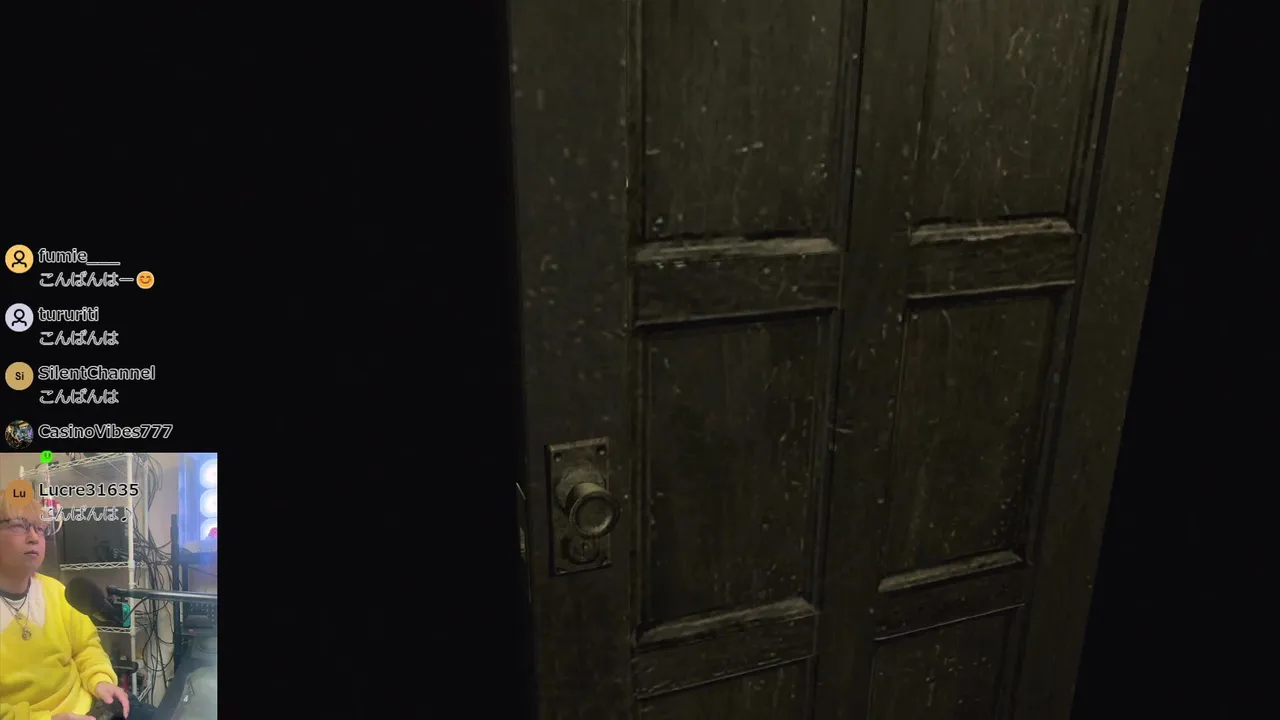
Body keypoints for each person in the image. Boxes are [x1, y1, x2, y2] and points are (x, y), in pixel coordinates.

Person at [0, 487, 157, 720]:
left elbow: (87, 647)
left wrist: (100, 679)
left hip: (93, 702)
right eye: (19, 526)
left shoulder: (56, 591)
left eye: (40, 528)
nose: (34, 537)